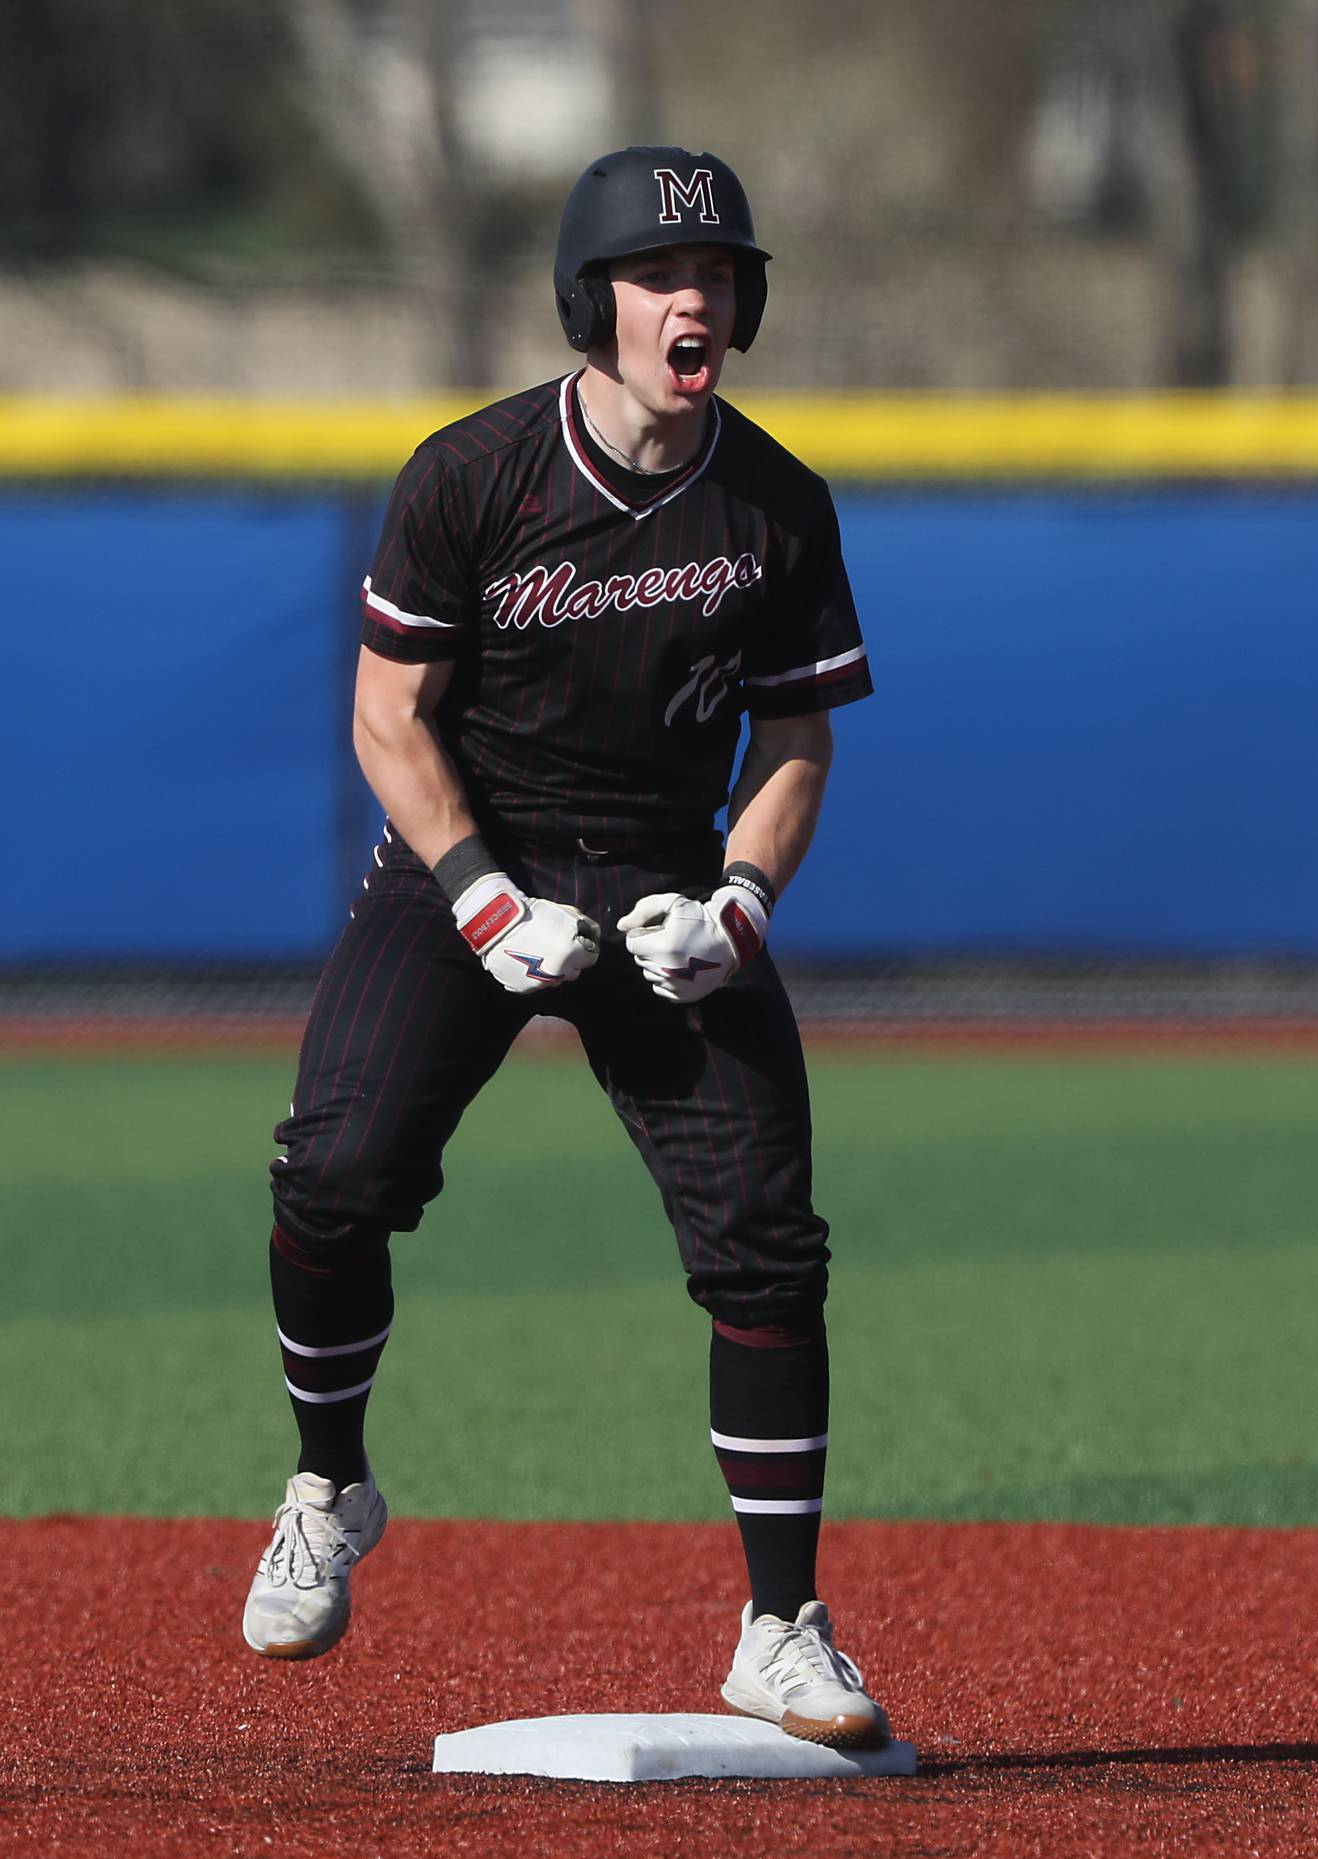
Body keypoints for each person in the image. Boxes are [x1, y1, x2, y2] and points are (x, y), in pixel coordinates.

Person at [242, 146, 886, 1750]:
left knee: (766, 1243)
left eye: (722, 276)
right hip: (472, 855)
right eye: (664, 276)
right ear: (589, 301)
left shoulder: (776, 501)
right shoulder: (475, 474)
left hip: (666, 876)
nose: (697, 300)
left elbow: (796, 743)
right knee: (334, 1172)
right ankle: (328, 1486)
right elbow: (388, 717)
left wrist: (738, 907)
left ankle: (782, 1627)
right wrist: (476, 897)